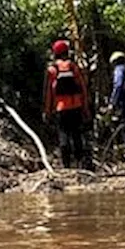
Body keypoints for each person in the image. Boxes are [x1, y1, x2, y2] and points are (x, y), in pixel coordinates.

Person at [43, 39, 91, 169]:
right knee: (77, 136)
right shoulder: (74, 67)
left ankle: (67, 166)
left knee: (63, 135)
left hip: (61, 109)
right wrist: (86, 109)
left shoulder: (52, 70)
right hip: (76, 107)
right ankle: (80, 164)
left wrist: (47, 111)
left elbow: (49, 93)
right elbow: (83, 90)